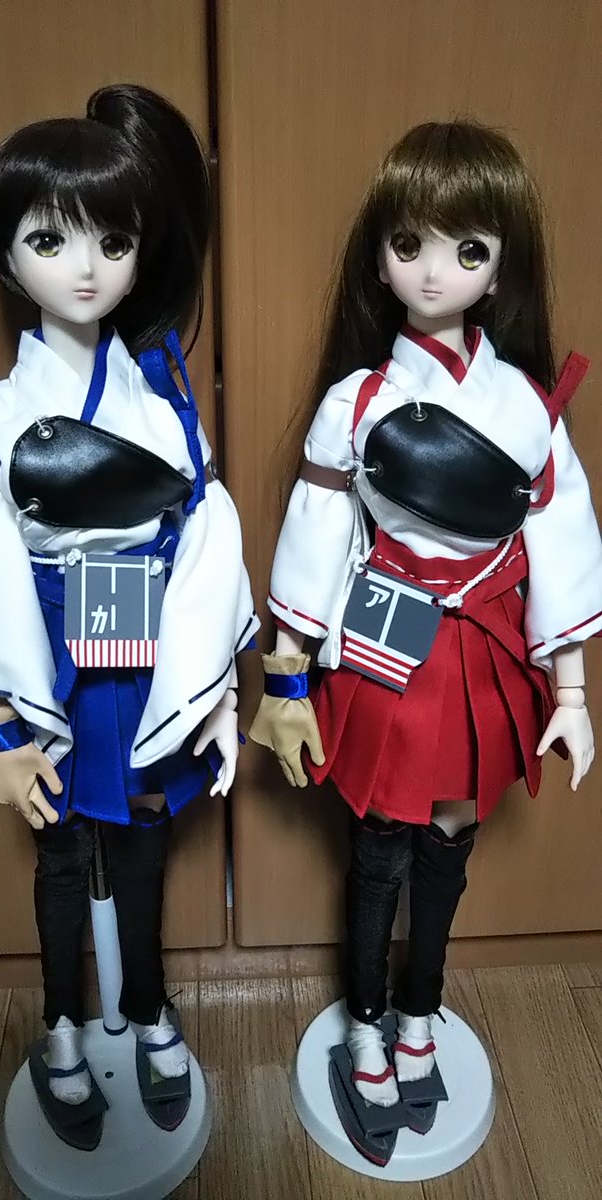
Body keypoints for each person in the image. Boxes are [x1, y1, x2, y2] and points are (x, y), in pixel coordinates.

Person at [251, 120, 601, 1112]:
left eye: (467, 249)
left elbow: (561, 540)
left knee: (451, 839)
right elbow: (316, 536)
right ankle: (364, 1017)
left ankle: (420, 1009)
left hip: (484, 643)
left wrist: (571, 692)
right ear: (381, 259)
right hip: (387, 634)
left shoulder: (525, 404)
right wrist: (286, 677)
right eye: (410, 244)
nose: (435, 271)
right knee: (379, 842)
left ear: (498, 270)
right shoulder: (356, 403)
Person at [0, 84, 258, 1143]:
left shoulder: (160, 394)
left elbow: (205, 537)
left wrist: (216, 692)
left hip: (147, 640)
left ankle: (150, 1007)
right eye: (50, 240)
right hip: (46, 646)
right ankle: (62, 1023)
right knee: (62, 848)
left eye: (112, 242)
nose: (84, 269)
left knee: (145, 838)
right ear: (6, 256)